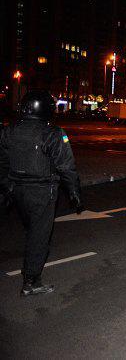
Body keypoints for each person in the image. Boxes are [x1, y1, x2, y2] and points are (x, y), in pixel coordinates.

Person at [0, 90, 82, 296]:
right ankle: (31, 281)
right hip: (42, 192)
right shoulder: (53, 133)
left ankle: (30, 268)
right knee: (40, 235)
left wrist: (7, 186)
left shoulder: (9, 131)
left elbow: (2, 163)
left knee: (31, 231)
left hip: (17, 191)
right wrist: (74, 191)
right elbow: (66, 166)